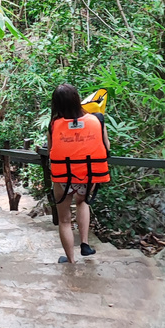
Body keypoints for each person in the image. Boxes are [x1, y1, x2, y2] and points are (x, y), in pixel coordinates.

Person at [47, 83, 110, 263]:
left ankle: (71, 259)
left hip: (63, 178)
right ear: (77, 100)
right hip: (88, 174)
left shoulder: (54, 125)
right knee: (83, 203)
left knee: (65, 219)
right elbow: (106, 146)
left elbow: (51, 149)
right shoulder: (97, 119)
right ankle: (84, 244)